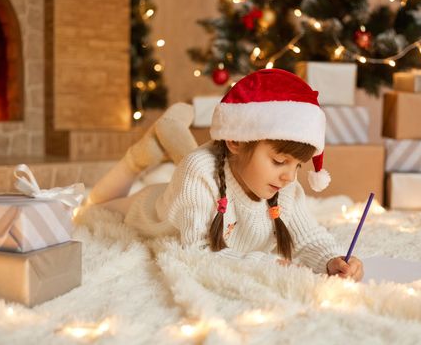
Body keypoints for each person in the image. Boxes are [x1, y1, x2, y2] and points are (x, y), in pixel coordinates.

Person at [88, 69, 363, 281]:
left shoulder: (284, 186)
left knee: (202, 162)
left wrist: (331, 260)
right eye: (280, 161)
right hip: (147, 208)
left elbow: (307, 236)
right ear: (235, 140)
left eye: (297, 166)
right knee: (93, 206)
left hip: (203, 181)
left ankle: (166, 135)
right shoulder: (197, 172)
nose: (289, 177)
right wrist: (264, 264)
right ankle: (140, 156)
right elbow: (197, 252)